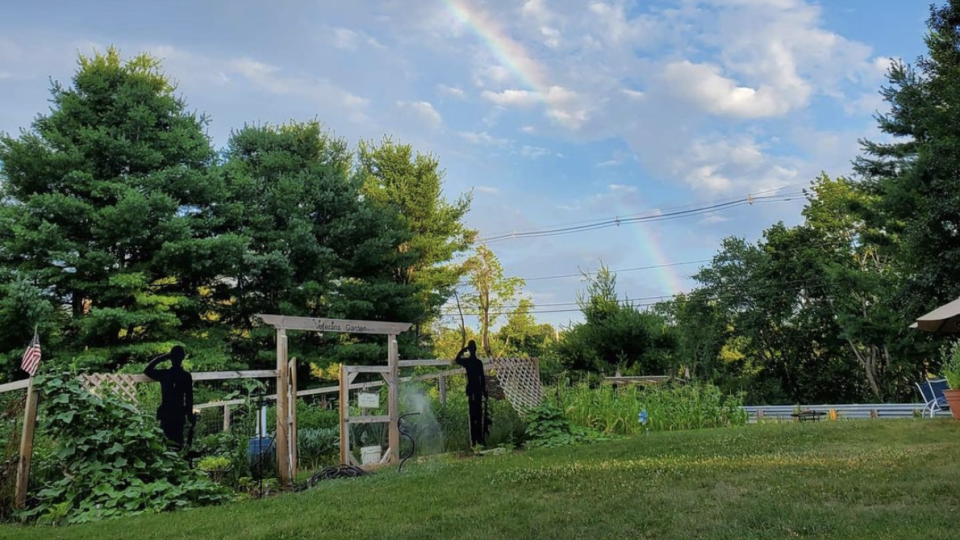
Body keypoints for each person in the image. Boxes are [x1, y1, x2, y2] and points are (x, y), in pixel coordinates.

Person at [144, 345, 195, 449]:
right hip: (178, 413)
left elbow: (147, 370)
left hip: (166, 412)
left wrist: (161, 358)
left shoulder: (165, 374)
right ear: (183, 358)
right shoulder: (185, 376)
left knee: (165, 442)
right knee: (177, 442)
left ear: (170, 358)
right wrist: (189, 415)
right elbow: (189, 397)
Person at [455, 340, 489, 447]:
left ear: (470, 350)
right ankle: (477, 439)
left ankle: (476, 440)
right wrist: (484, 390)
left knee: (475, 415)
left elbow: (457, 359)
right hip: (476, 390)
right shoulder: (476, 362)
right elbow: (482, 378)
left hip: (474, 391)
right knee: (477, 415)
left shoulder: (469, 361)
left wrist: (463, 350)